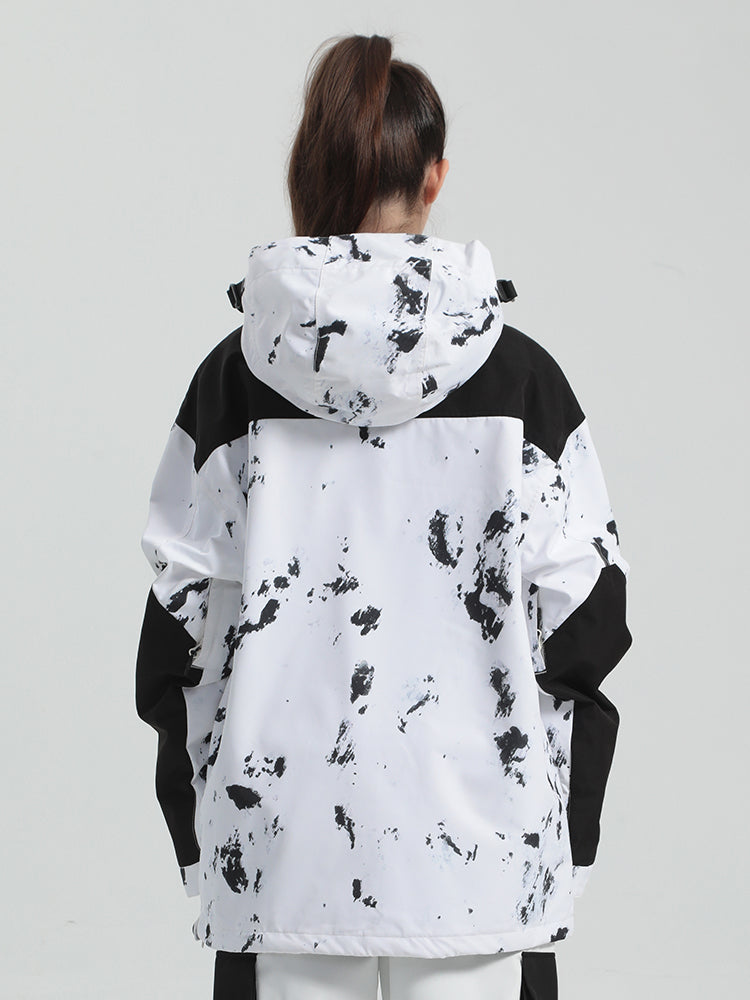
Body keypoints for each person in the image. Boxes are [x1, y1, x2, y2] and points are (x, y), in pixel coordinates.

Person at [135, 32, 633, 1000]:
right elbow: (586, 628)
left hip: (280, 873)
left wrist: (206, 850)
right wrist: (564, 851)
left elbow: (178, 635)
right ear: (434, 177)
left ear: (306, 174)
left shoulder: (232, 383)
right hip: (483, 880)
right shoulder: (524, 382)